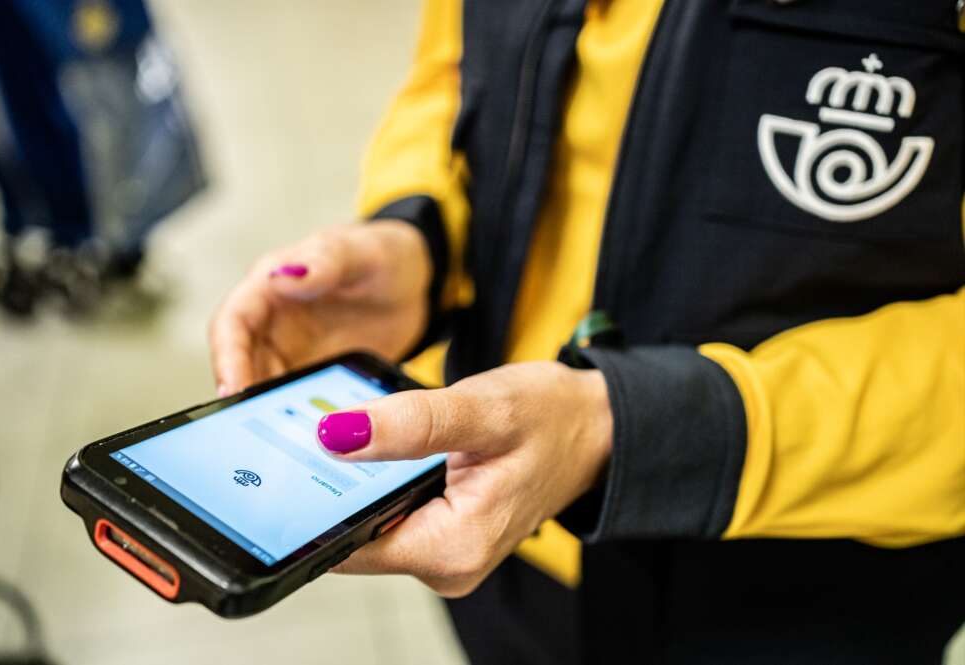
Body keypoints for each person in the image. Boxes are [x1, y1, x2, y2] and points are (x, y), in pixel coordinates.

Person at [209, 1, 965, 663]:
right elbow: (452, 68)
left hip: (811, 581)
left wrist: (636, 427)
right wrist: (420, 238)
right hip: (499, 517)